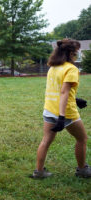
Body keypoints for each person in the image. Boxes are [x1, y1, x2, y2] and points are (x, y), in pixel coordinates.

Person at [32, 39, 90, 178]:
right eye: (75, 53)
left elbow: (59, 90)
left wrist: (75, 99)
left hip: (49, 109)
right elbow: (63, 92)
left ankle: (39, 172)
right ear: (70, 53)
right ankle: (82, 170)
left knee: (46, 141)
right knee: (82, 139)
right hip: (66, 113)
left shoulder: (53, 67)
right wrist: (62, 117)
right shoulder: (71, 69)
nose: (76, 55)